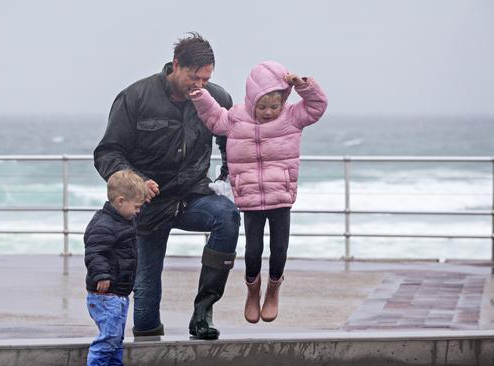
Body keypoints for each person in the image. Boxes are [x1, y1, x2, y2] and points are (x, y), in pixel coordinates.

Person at [93, 32, 240, 340]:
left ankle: (202, 313)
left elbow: (235, 143)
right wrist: (135, 183)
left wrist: (226, 179)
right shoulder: (135, 97)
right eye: (193, 78)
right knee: (145, 302)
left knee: (227, 215)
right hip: (147, 205)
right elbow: (108, 152)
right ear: (176, 65)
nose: (198, 86)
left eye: (205, 78)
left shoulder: (218, 98)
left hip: (193, 196)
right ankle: (147, 340)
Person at [190, 60, 328, 323]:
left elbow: (317, 106)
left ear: (283, 100)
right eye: (262, 106)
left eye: (274, 106)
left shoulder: (291, 116)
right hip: (250, 200)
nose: (268, 112)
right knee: (252, 250)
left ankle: (273, 290)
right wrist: (201, 97)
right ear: (252, 101)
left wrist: (304, 87)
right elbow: (214, 118)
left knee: (279, 249)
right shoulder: (237, 117)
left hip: (281, 198)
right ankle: (252, 291)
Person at [84, 170, 148, 366]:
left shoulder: (124, 220)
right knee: (108, 338)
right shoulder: (103, 225)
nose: (138, 211)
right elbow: (94, 252)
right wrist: (102, 275)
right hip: (105, 294)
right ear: (120, 201)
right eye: (136, 207)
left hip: (119, 294)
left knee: (116, 340)